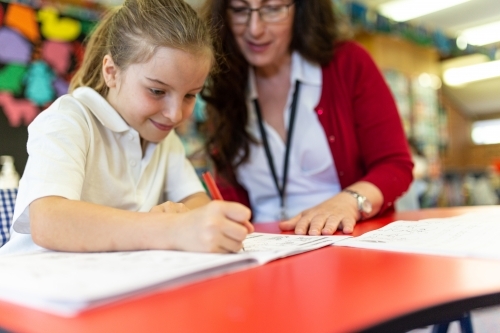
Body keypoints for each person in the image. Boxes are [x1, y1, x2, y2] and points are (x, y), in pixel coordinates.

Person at [0, 0, 253, 255]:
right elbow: (48, 221)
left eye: (190, 95)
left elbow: (195, 201)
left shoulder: (164, 139)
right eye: (157, 91)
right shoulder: (68, 120)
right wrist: (167, 228)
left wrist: (195, 219)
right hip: (32, 287)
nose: (175, 114)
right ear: (111, 72)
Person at [200, 0, 413, 235]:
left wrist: (349, 201)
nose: (254, 29)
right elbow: (231, 192)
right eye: (240, 10)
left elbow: (395, 166)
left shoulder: (349, 63)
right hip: (265, 249)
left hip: (344, 238)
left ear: (302, 10)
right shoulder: (224, 86)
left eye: (272, 9)